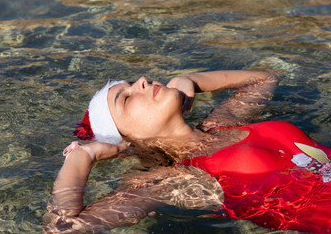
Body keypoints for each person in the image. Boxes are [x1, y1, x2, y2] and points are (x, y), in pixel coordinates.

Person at [43, 70, 331, 234]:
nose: (143, 80)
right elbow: (62, 228)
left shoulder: (221, 124)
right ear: (127, 138)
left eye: (132, 83)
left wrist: (189, 81)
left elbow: (264, 79)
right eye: (127, 98)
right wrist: (82, 157)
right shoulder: (174, 178)